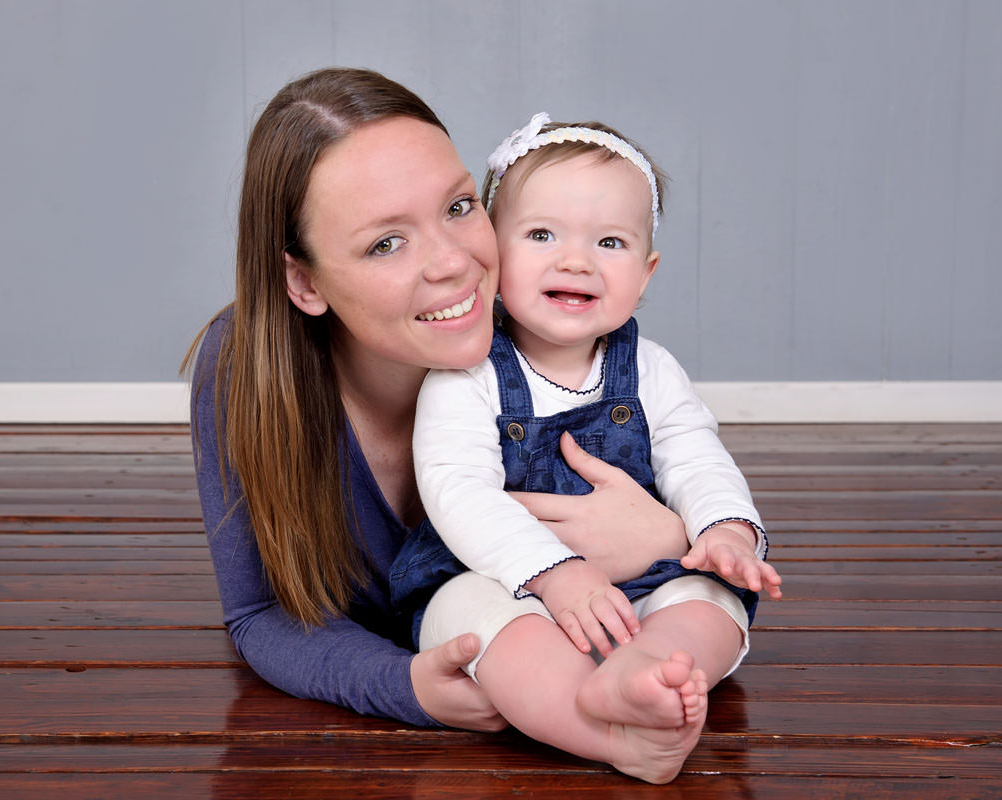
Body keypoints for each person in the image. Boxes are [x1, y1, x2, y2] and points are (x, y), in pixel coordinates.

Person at [185, 69, 691, 742]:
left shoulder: (555, 333)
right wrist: (404, 685)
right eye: (385, 243)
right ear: (304, 282)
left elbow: (693, 467)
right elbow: (258, 614)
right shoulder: (244, 368)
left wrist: (671, 539)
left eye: (457, 208)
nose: (453, 263)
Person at [390, 113, 783, 782]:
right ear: (493, 252)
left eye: (609, 241)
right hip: (508, 584)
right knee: (470, 619)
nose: (575, 260)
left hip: (641, 581)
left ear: (646, 272)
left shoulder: (651, 369)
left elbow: (697, 456)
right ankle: (601, 729)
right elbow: (458, 493)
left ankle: (651, 669)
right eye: (542, 235)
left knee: (710, 602)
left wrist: (726, 530)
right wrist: (554, 573)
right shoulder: (467, 376)